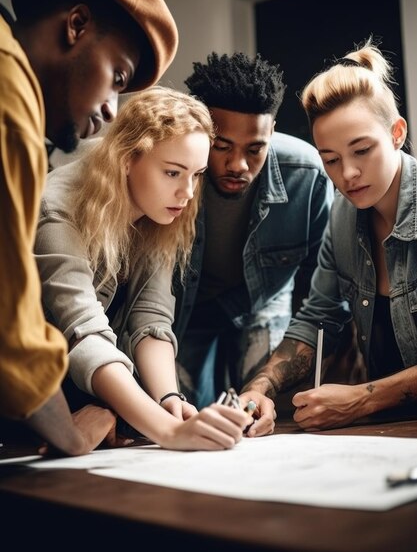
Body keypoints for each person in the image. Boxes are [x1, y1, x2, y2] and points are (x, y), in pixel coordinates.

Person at [0, 0, 178, 455]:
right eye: (116, 77)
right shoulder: (11, 102)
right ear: (75, 25)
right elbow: (11, 323)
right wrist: (72, 437)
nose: (109, 110)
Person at [34, 86, 250, 451]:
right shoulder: (56, 210)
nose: (188, 192)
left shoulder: (159, 207)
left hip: (94, 403)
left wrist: (169, 399)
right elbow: (85, 333)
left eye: (197, 175)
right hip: (27, 407)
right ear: (127, 159)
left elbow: (151, 317)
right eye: (172, 173)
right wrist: (168, 432)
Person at [241, 38, 417, 433]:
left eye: (362, 150)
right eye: (331, 159)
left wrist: (362, 399)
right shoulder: (342, 216)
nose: (348, 174)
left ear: (397, 134)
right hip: (393, 431)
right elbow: (317, 319)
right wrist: (260, 387)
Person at [173, 52, 334, 411]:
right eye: (221, 146)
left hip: (261, 302)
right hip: (185, 306)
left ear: (272, 132)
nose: (238, 165)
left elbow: (320, 281)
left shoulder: (307, 175)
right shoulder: (168, 171)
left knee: (263, 409)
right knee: (180, 411)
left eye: (255, 148)